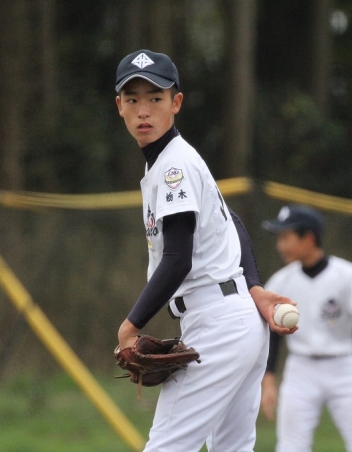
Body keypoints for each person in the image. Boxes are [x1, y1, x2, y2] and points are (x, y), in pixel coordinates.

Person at [114, 49, 297, 452]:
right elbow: (233, 222)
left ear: (176, 103)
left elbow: (177, 259)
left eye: (155, 98)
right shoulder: (175, 160)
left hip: (218, 325)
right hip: (237, 321)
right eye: (133, 99)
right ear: (119, 107)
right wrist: (254, 288)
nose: (143, 110)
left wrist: (131, 326)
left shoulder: (173, 166)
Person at [260, 205, 352, 452]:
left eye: (285, 237)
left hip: (343, 368)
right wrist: (269, 381)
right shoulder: (280, 281)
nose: (280, 245)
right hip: (300, 370)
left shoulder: (346, 274)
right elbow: (273, 337)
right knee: (290, 447)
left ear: (308, 238)